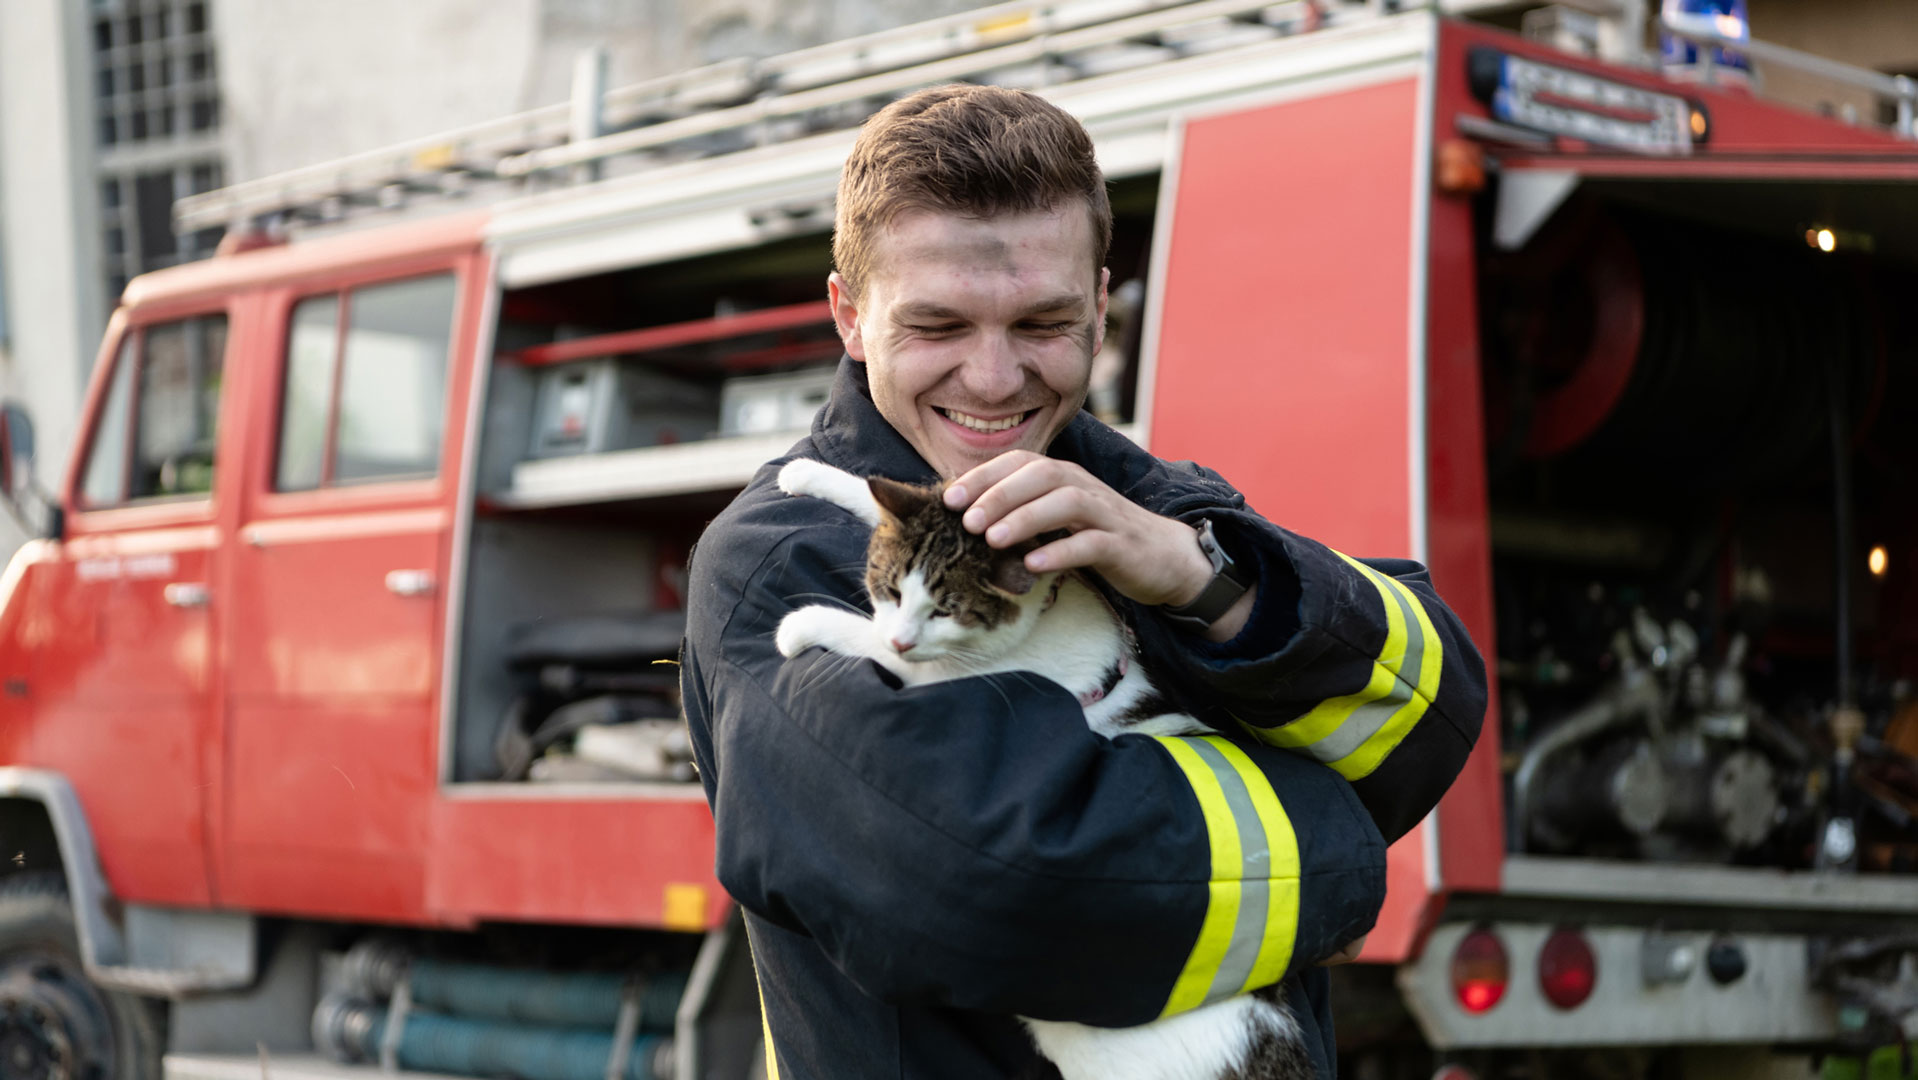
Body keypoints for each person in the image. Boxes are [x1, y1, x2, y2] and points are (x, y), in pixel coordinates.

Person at [680, 84, 1486, 1079]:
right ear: (850, 316)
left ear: (1102, 309)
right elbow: (1011, 887)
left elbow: (1430, 713)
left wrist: (1202, 584)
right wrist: (1341, 849)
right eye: (937, 325)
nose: (991, 377)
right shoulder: (784, 564)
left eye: (1041, 322)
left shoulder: (1152, 506)